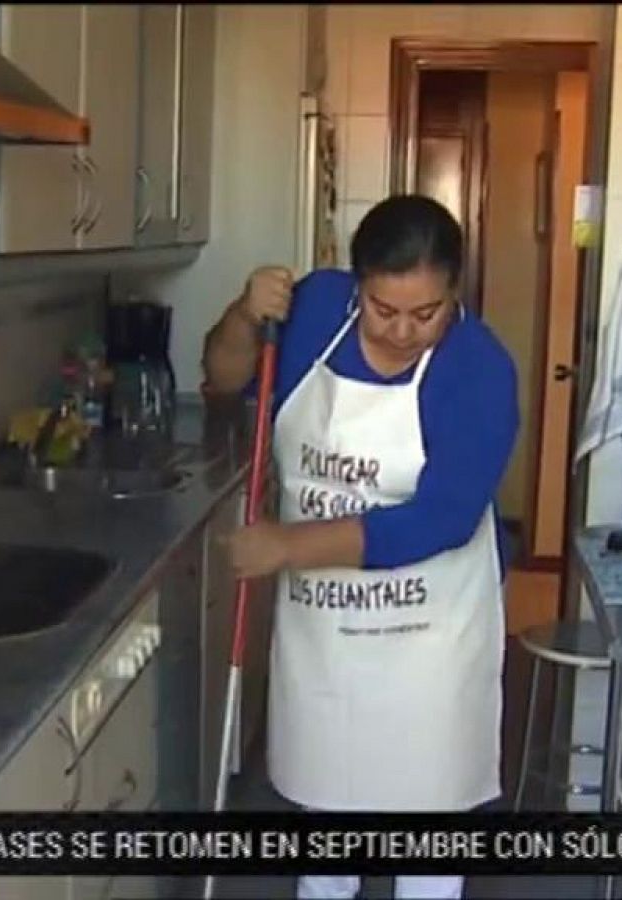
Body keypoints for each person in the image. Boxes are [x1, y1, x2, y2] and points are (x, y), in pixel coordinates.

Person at [202, 194, 520, 900]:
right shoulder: (313, 311)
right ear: (357, 283)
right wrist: (244, 313)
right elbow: (223, 376)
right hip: (330, 633)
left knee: (428, 837)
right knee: (328, 823)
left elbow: (442, 517)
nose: (404, 330)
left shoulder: (478, 369)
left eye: (427, 312)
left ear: (455, 293)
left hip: (429, 639)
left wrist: (288, 544)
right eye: (385, 309)